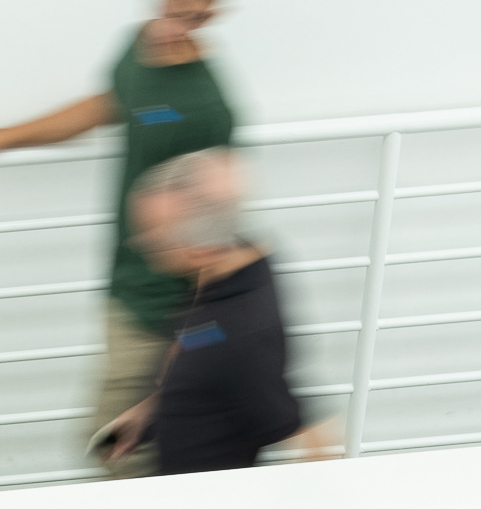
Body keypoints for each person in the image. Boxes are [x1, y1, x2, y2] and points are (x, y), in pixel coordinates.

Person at [0, 0, 236, 467]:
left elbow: (218, 229)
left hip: (162, 311)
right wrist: (0, 138)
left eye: (193, 16)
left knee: (115, 454)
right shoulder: (136, 49)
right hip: (122, 287)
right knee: (130, 456)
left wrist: (187, 343)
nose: (177, 24)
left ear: (214, 14)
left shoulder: (208, 107)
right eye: (173, 5)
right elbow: (107, 106)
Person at [104, 147, 337, 474]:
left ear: (202, 251)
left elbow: (315, 442)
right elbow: (201, 345)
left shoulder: (243, 335)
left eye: (155, 239)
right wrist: (152, 410)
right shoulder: (238, 263)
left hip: (202, 498)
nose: (141, 245)